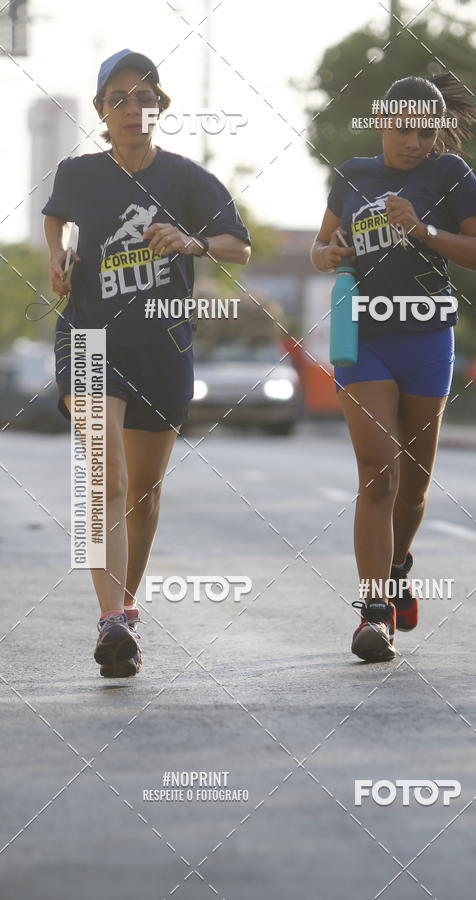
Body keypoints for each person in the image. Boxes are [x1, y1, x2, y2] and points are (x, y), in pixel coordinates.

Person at [43, 49, 251, 677]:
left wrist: (191, 241)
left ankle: (126, 610)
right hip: (89, 338)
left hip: (164, 346)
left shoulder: (186, 178)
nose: (134, 108)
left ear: (161, 107)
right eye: (120, 99)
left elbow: (238, 246)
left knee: (145, 492)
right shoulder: (79, 173)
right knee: (105, 477)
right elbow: (57, 220)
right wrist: (57, 255)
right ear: (101, 111)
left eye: (146, 97)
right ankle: (110, 619)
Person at [311, 74, 476, 662]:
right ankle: (374, 612)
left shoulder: (451, 175)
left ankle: (396, 568)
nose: (415, 142)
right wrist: (329, 254)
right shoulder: (352, 174)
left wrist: (423, 229)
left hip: (427, 339)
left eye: (426, 132)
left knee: (412, 488)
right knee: (378, 474)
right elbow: (320, 247)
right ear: (382, 123)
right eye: (404, 129)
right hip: (363, 339)